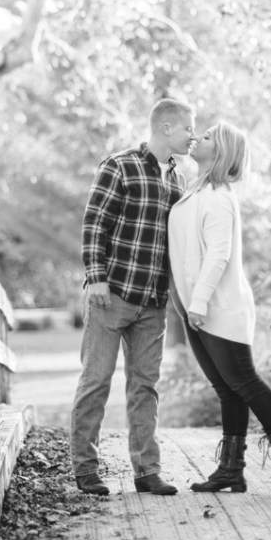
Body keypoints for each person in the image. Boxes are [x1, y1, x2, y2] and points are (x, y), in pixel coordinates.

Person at [168, 122, 271, 497]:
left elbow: (219, 254)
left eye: (209, 136)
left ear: (221, 151)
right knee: (227, 390)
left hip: (220, 307)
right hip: (195, 309)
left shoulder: (217, 196)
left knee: (245, 382)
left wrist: (198, 301)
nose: (199, 137)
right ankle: (231, 470)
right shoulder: (193, 189)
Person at [70, 97, 196, 496]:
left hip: (152, 303)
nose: (193, 136)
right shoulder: (119, 165)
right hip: (113, 295)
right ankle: (86, 469)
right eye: (188, 128)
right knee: (96, 381)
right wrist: (96, 277)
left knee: (145, 387)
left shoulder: (178, 179)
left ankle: (147, 470)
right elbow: (94, 222)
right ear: (166, 128)